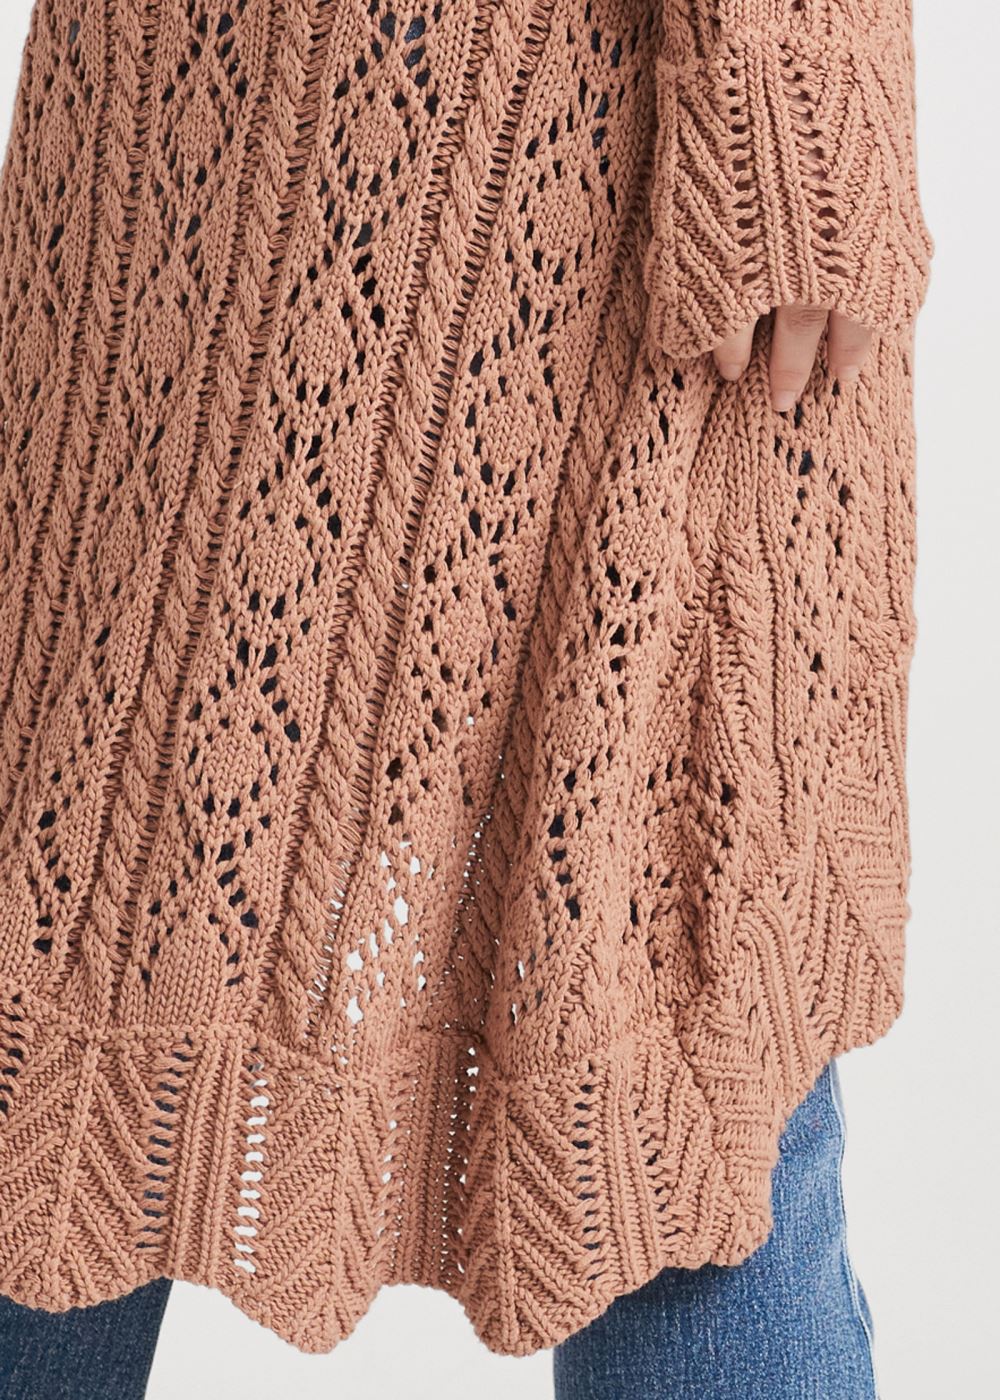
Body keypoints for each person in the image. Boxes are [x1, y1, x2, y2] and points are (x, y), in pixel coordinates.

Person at [0, 1, 930, 1397]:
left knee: (68, 930)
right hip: (485, 117)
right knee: (678, 1041)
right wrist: (794, 53)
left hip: (289, 115)